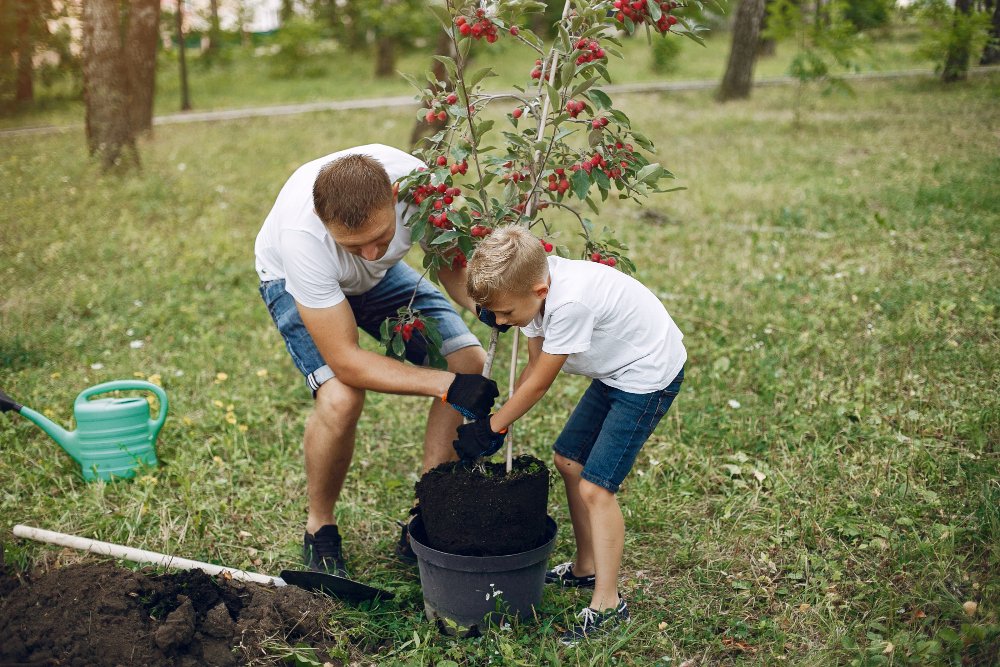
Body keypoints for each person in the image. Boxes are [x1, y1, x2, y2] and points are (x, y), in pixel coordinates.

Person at [254, 144, 498, 577]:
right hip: (299, 283)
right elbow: (347, 361)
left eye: (380, 240)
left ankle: (427, 511)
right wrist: (444, 386)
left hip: (381, 284)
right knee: (341, 397)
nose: (370, 254)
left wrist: (487, 308)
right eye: (353, 245)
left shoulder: (420, 187)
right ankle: (319, 528)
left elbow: (448, 262)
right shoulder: (302, 241)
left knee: (469, 360)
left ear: (393, 196)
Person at [454, 225, 686, 644]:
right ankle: (586, 567)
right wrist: (500, 416)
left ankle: (609, 604)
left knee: (597, 489)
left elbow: (542, 380)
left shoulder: (570, 303)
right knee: (569, 461)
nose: (500, 322)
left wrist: (493, 426)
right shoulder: (528, 291)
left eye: (505, 313)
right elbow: (531, 366)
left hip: (647, 374)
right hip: (615, 371)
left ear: (540, 291)